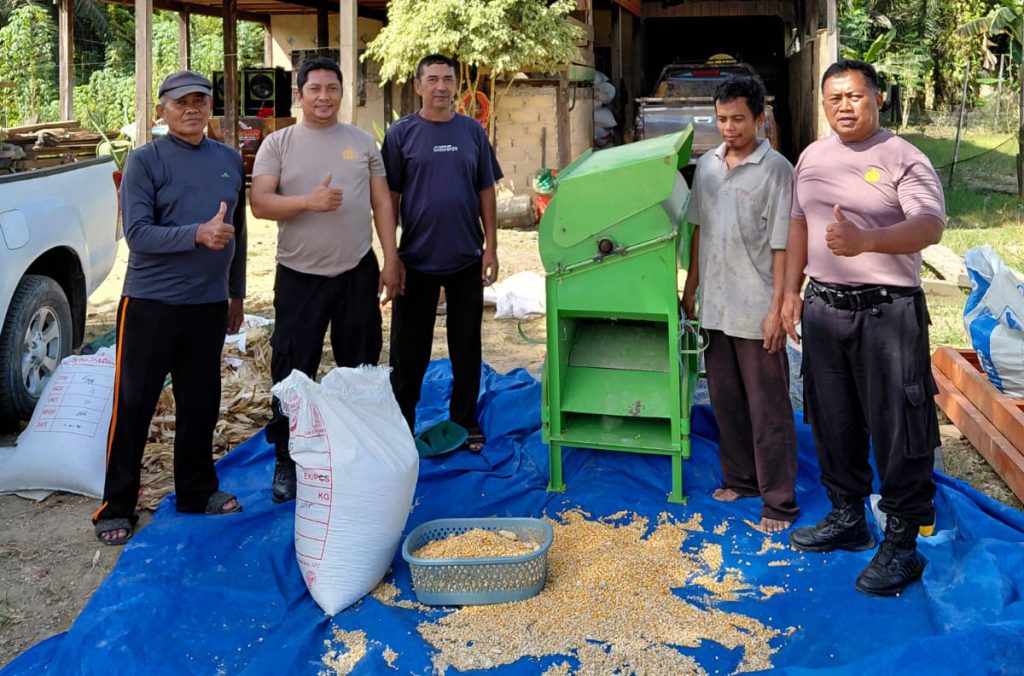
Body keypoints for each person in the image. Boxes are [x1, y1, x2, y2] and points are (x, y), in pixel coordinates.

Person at [782, 60, 945, 596]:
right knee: (832, 419)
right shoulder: (811, 156)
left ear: (877, 98)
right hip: (824, 309)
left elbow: (930, 226)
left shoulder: (905, 157)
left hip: (887, 312)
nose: (844, 106)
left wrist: (867, 242)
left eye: (854, 96)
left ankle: (901, 543)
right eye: (834, 98)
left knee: (900, 424)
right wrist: (789, 293)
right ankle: (848, 517)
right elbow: (799, 224)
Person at [92, 71, 247, 545]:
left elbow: (235, 234)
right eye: (181, 102)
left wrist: (235, 293)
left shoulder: (228, 160)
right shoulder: (144, 161)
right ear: (162, 110)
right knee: (134, 405)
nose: (192, 109)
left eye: (201, 100)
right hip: (151, 305)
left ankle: (196, 491)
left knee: (201, 405)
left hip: (206, 306)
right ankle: (116, 506)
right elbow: (137, 234)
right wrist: (196, 234)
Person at [251, 57, 402, 503]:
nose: (323, 96)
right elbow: (260, 202)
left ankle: (360, 451)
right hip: (299, 274)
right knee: (293, 367)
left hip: (356, 271)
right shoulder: (277, 144)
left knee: (360, 363)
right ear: (299, 95)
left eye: (331, 88)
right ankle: (287, 455)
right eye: (314, 88)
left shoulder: (361, 143)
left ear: (342, 92)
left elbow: (382, 204)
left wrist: (390, 259)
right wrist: (308, 202)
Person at [682, 74, 798, 533]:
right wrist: (691, 286)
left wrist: (778, 308)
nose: (729, 128)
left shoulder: (777, 170)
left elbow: (784, 246)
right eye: (722, 119)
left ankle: (779, 501)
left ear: (760, 118)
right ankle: (740, 479)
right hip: (716, 304)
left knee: (768, 406)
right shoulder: (708, 165)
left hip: (756, 308)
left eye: (738, 119)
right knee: (725, 399)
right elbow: (698, 229)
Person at [381, 54, 501, 447]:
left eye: (447, 79)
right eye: (431, 79)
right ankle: (401, 425)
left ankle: (465, 420)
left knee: (466, 347)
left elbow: (486, 190)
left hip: (467, 257)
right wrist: (391, 257)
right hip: (415, 260)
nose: (440, 87)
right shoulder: (401, 135)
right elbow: (388, 201)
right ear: (417, 86)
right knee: (407, 352)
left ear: (456, 86)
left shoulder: (472, 132)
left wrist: (491, 248)